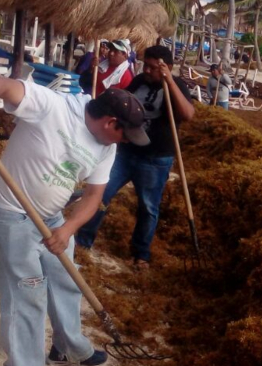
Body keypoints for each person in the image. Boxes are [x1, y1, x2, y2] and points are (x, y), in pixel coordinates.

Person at [0, 75, 150, 366]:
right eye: (125, 133)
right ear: (109, 121)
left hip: (53, 218)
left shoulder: (107, 147)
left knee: (65, 277)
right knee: (26, 289)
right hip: (10, 211)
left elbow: (93, 196)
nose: (127, 142)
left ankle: (68, 348)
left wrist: (68, 228)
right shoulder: (53, 106)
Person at [76, 45, 195, 269]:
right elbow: (123, 102)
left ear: (166, 67)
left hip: (155, 158)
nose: (147, 71)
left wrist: (169, 81)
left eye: (153, 67)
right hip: (125, 152)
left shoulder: (177, 85)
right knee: (102, 194)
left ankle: (141, 254)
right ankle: (83, 240)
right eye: (145, 66)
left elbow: (188, 115)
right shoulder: (139, 81)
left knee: (148, 207)